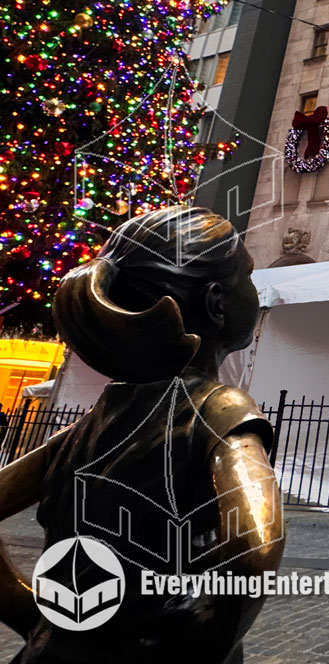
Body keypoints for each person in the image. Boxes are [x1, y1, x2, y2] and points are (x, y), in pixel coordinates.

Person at [0, 206, 284, 664]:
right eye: (247, 276)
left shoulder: (92, 423)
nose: (255, 287)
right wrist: (207, 644)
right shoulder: (219, 408)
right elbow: (257, 547)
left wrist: (33, 618)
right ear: (217, 302)